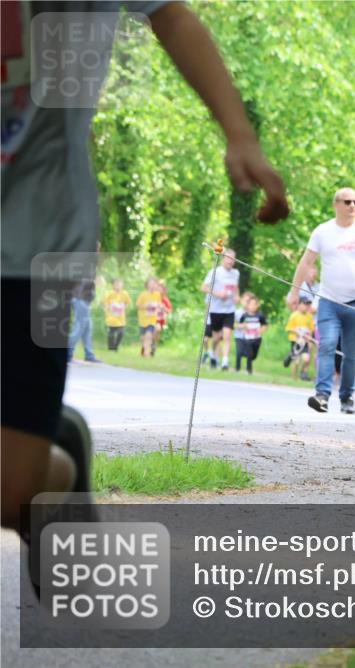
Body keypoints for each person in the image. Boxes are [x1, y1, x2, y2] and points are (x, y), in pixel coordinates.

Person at [1, 0, 288, 552]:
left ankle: (58, 466)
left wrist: (239, 134)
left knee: (13, 493)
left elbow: (171, 16)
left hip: (37, 234)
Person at [287, 188, 355, 415]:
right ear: (336, 204)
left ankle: (347, 397)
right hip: (328, 302)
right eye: (347, 202)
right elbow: (306, 262)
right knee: (326, 345)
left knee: (352, 353)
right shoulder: (322, 231)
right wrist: (293, 292)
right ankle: (322, 395)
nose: (352, 206)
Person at [201, 248, 240, 370]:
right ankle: (213, 355)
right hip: (215, 309)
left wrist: (237, 296)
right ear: (223, 258)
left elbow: (236, 287)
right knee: (216, 338)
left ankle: (225, 362)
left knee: (227, 335)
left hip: (229, 310)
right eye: (228, 258)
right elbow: (204, 287)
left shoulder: (236, 273)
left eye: (233, 259)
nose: (230, 261)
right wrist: (218, 294)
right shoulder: (215, 272)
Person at [67, 279, 99, 363]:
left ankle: (89, 355)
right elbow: (82, 282)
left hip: (84, 302)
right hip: (80, 301)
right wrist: (94, 281)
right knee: (78, 330)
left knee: (87, 330)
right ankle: (67, 354)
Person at [284, 297, 315, 381]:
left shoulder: (309, 317)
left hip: (305, 342)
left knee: (306, 358)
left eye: (308, 305)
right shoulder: (294, 315)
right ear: (300, 304)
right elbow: (288, 328)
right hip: (296, 341)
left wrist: (309, 339)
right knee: (296, 361)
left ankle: (302, 373)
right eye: (305, 304)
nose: (307, 306)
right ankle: (294, 378)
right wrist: (297, 332)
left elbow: (311, 329)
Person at [236, 293, 267, 375]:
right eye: (251, 304)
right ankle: (249, 370)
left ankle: (246, 356)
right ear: (248, 305)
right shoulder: (244, 315)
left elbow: (264, 325)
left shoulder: (260, 315)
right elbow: (239, 325)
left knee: (254, 355)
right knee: (249, 354)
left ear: (257, 305)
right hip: (248, 338)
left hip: (257, 338)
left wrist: (261, 330)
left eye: (255, 304)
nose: (253, 306)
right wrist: (243, 326)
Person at [101, 278, 131, 352]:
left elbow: (127, 302)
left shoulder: (125, 293)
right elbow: (103, 303)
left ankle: (116, 346)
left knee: (121, 333)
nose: (118, 286)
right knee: (111, 334)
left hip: (121, 318)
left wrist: (123, 306)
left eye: (119, 284)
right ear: (113, 286)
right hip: (111, 318)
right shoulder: (109, 293)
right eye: (116, 284)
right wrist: (107, 307)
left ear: (122, 285)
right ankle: (111, 348)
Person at [135, 278, 161, 357]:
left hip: (152, 319)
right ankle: (143, 348)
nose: (152, 285)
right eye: (151, 283)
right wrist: (146, 306)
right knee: (143, 338)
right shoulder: (143, 294)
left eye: (154, 283)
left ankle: (146, 352)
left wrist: (158, 307)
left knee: (149, 335)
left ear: (156, 285)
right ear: (147, 285)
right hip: (143, 320)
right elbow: (138, 306)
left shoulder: (157, 295)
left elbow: (158, 305)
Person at [151, 279, 172, 356]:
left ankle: (154, 345)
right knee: (152, 331)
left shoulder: (165, 300)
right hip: (151, 318)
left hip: (160, 319)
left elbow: (169, 310)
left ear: (163, 291)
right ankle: (151, 344)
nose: (159, 291)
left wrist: (163, 308)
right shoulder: (152, 297)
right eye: (158, 289)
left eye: (161, 289)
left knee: (157, 330)